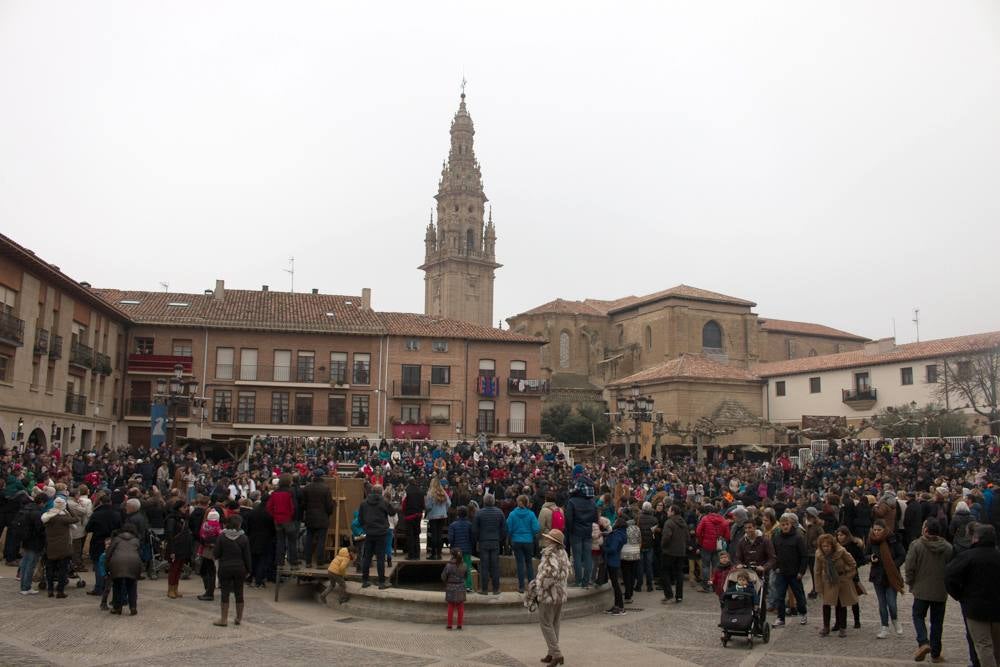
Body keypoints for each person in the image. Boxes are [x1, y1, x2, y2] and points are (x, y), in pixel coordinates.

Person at [946, 523, 1000, 667]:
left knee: (984, 646)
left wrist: (960, 596)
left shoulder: (967, 556)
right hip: (997, 609)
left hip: (976, 609)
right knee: (997, 648)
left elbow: (949, 577)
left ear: (976, 539)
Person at [905, 518, 954, 663]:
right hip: (940, 591)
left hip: (921, 589)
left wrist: (910, 582)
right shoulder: (947, 547)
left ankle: (923, 642)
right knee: (937, 622)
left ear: (925, 529)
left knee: (918, 616)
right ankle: (935, 654)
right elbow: (951, 568)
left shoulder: (917, 545)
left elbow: (910, 566)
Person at [531, 528, 570, 666]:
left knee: (546, 624)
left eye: (548, 538)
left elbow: (550, 575)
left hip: (549, 594)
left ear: (553, 541)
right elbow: (564, 573)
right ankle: (551, 653)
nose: (546, 539)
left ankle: (557, 654)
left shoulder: (549, 553)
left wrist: (538, 585)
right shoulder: (563, 552)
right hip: (560, 593)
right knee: (555, 623)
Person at [814, 532, 859, 638]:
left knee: (841, 604)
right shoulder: (819, 555)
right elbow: (817, 571)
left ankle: (842, 628)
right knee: (826, 604)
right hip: (828, 580)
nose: (826, 548)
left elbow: (853, 564)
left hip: (841, 580)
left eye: (828, 546)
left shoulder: (841, 551)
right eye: (824, 546)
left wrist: (847, 575)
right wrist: (819, 587)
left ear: (832, 545)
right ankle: (826, 627)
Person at [867, 519, 906, 639]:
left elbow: (902, 555)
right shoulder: (871, 541)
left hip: (891, 576)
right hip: (877, 575)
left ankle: (895, 620)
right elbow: (865, 554)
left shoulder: (892, 539)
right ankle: (884, 626)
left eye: (879, 530)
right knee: (882, 603)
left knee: (891, 603)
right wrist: (870, 557)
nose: (877, 532)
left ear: (884, 529)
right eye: (875, 530)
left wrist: (893, 565)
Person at [771, 513, 809, 627]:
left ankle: (803, 613)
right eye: (783, 525)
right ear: (780, 526)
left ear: (790, 524)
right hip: (781, 572)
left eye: (787, 524)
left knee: (799, 595)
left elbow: (804, 556)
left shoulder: (797, 538)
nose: (785, 527)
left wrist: (801, 572)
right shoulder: (777, 538)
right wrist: (775, 567)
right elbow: (774, 555)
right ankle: (780, 618)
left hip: (794, 573)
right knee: (780, 596)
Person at [213, 514, 252, 627]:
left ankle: (223, 619)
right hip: (240, 568)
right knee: (239, 593)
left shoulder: (222, 537)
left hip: (225, 567)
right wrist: (249, 569)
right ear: (239, 524)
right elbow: (247, 556)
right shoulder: (244, 538)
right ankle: (239, 618)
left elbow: (216, 554)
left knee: (225, 592)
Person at [357, 483, 396, 589]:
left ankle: (365, 581)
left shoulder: (364, 503)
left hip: (369, 533)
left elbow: (360, 519)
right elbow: (392, 512)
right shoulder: (384, 502)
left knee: (367, 557)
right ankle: (382, 582)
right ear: (381, 492)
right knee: (380, 558)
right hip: (381, 533)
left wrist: (366, 526)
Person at [41, 496, 79, 598]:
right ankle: (60, 591)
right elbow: (76, 519)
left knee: (50, 569)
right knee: (63, 570)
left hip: (51, 547)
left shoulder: (47, 516)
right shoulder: (63, 518)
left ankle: (50, 589)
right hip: (64, 548)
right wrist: (69, 509)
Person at [564, 474, 597, 589]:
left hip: (575, 533)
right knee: (588, 556)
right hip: (587, 532)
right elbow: (595, 519)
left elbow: (568, 519)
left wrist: (571, 530)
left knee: (577, 557)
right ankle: (586, 581)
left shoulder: (572, 501)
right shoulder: (592, 502)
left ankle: (578, 581)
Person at [473, 493, 506, 595]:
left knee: (484, 566)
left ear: (484, 501)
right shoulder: (499, 512)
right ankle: (496, 589)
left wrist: (477, 540)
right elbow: (503, 529)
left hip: (484, 541)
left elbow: (475, 530)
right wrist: (500, 539)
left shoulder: (479, 513)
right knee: (495, 566)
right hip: (495, 541)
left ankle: (484, 589)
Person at [506, 494, 540, 594]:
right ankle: (531, 586)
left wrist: (512, 536)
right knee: (529, 563)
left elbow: (508, 528)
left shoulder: (512, 514)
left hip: (516, 540)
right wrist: (530, 534)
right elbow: (536, 528)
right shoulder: (531, 514)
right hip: (528, 541)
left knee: (520, 563)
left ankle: (521, 587)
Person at [106, 524, 142, 615]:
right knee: (132, 586)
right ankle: (133, 607)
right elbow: (139, 555)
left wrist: (107, 567)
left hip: (117, 564)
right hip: (133, 563)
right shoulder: (136, 540)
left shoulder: (116, 539)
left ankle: (117, 608)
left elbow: (109, 553)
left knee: (117, 586)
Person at [835, 525, 866, 630]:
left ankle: (857, 621)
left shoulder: (853, 545)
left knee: (853, 598)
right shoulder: (836, 546)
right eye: (838, 535)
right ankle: (838, 622)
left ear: (847, 535)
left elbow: (862, 559)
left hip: (852, 574)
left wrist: (851, 565)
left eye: (842, 535)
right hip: (839, 575)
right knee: (838, 599)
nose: (840, 537)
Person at [266, 474, 299, 569]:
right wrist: (291, 515)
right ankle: (294, 564)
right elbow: (293, 507)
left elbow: (269, 507)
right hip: (288, 519)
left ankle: (280, 563)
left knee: (280, 541)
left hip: (277, 520)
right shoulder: (290, 492)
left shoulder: (275, 493)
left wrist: (275, 515)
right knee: (292, 542)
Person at [301, 470, 333, 568]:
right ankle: (319, 562)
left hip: (310, 517)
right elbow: (329, 505)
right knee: (321, 541)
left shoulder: (307, 488)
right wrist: (329, 513)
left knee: (309, 540)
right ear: (322, 476)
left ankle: (308, 562)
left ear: (313, 476)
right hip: (322, 518)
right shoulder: (326, 488)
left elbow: (303, 505)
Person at [695, 504, 730, 593]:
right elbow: (727, 535)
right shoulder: (722, 519)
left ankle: (706, 586)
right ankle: (715, 586)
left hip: (706, 545)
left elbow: (698, 532)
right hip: (718, 546)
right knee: (716, 566)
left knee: (705, 566)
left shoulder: (705, 519)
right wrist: (722, 541)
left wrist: (701, 542)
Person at [15, 493, 45, 595]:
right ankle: (26, 587)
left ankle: (24, 586)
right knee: (30, 565)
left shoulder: (26, 508)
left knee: (24, 563)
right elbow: (40, 529)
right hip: (34, 542)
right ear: (41, 502)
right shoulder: (37, 513)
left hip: (25, 540)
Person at [659, 503, 688, 604]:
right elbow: (687, 537)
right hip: (681, 551)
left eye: (669, 510)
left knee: (664, 572)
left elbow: (666, 537)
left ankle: (669, 595)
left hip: (669, 551)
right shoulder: (683, 522)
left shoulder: (669, 522)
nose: (667, 512)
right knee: (679, 573)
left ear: (673, 512)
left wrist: (663, 545)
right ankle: (679, 596)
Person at [164, 500, 193, 599]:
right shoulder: (172, 519)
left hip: (183, 547)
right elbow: (170, 535)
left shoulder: (184, 518)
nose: (186, 509)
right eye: (184, 507)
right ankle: (170, 590)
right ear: (179, 508)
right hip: (175, 547)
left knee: (179, 569)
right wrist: (172, 550)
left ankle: (176, 589)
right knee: (173, 569)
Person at [603, 516, 627, 615]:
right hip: (615, 561)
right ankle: (617, 606)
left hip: (612, 561)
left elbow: (612, 549)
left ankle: (620, 607)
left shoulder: (617, 535)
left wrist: (603, 547)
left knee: (615, 585)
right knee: (615, 584)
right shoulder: (621, 534)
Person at [197, 509, 222, 601]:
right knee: (212, 571)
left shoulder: (204, 524)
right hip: (213, 550)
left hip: (204, 548)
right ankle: (209, 591)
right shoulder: (217, 525)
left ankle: (208, 591)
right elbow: (220, 536)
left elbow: (201, 535)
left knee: (207, 570)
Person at [448, 505, 475, 592]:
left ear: (457, 514)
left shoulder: (453, 525)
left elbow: (451, 538)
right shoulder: (469, 525)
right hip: (467, 549)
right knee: (467, 567)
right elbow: (472, 538)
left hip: (456, 550)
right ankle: (468, 586)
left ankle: (456, 585)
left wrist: (451, 547)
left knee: (456, 568)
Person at [425, 476, 451, 560]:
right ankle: (439, 554)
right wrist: (444, 510)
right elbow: (449, 503)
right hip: (443, 516)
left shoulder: (430, 493)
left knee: (434, 535)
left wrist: (428, 510)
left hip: (433, 516)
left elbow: (428, 506)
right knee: (440, 535)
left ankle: (433, 554)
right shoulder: (443, 492)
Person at [441, 548, 467, 630]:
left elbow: (443, 577)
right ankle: (459, 625)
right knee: (461, 606)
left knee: (450, 606)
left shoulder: (449, 565)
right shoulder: (464, 565)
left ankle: (449, 625)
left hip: (451, 587)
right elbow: (466, 576)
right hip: (461, 587)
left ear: (452, 555)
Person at [401, 477, 425, 560]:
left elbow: (403, 504)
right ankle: (417, 554)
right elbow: (423, 504)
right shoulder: (421, 491)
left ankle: (411, 555)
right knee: (416, 534)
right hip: (418, 515)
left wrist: (404, 512)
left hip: (409, 516)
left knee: (410, 535)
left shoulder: (406, 491)